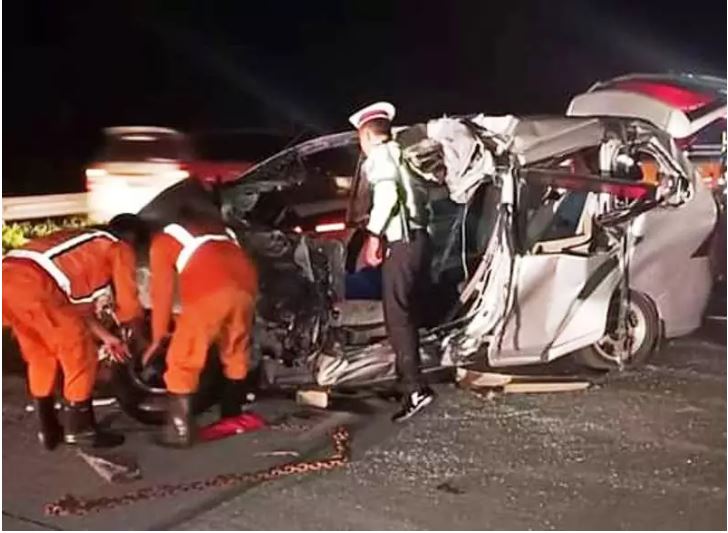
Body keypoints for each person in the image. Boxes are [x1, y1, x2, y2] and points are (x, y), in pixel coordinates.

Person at [2, 214, 147, 449]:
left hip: (9, 282)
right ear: (132, 239)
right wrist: (138, 338)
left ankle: (48, 428)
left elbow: (77, 310)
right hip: (35, 288)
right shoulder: (117, 247)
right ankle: (81, 430)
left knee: (41, 355)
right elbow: (129, 304)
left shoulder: (82, 242)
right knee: (81, 355)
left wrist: (107, 337)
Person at [142, 207, 258, 448]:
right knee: (235, 347)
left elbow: (161, 293)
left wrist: (158, 336)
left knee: (184, 358)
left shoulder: (162, 242)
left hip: (210, 290)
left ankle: (178, 431)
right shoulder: (222, 232)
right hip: (247, 286)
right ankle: (232, 415)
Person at [349, 101, 436, 422]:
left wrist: (373, 236)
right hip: (419, 240)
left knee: (396, 315)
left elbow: (386, 197)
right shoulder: (403, 155)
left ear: (368, 137)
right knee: (409, 310)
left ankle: (415, 389)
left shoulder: (380, 157)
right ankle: (407, 380)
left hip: (403, 243)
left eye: (360, 139)